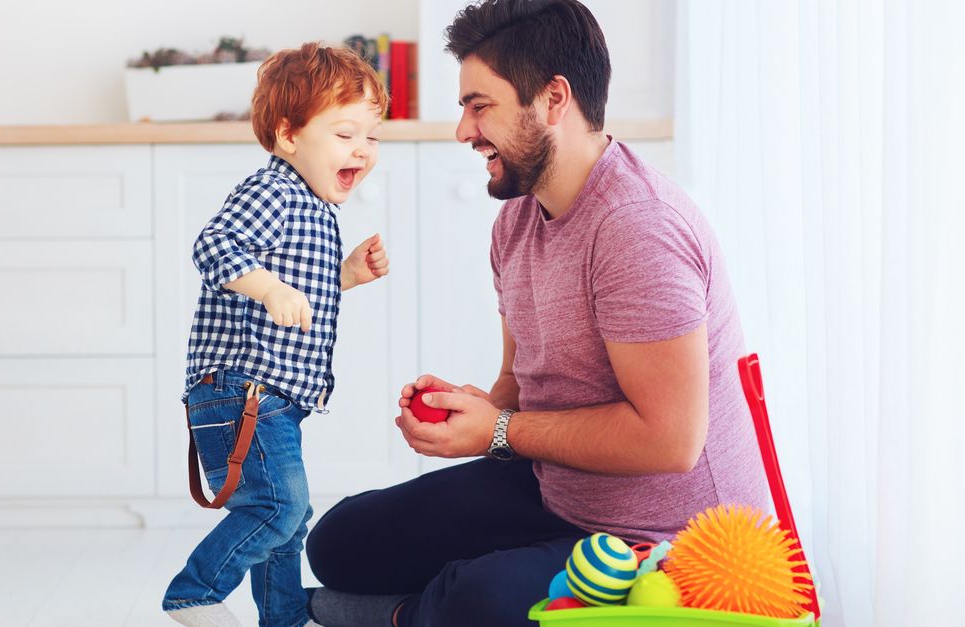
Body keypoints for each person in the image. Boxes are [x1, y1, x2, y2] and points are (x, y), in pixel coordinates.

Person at [303, 1, 771, 626]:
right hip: (561, 488)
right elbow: (519, 389)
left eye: (479, 105)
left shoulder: (639, 230)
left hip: (664, 534)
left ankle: (406, 614)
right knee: (338, 542)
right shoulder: (516, 221)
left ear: (553, 99)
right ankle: (425, 606)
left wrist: (498, 432)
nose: (463, 131)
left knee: (477, 600)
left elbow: (670, 439)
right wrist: (474, 410)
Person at [162, 42, 390, 627]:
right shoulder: (276, 192)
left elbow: (297, 298)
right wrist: (267, 288)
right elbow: (213, 246)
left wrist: (347, 276)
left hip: (269, 397)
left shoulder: (314, 207)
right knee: (278, 506)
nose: (362, 150)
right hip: (241, 390)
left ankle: (283, 616)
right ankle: (194, 593)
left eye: (371, 137)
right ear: (289, 136)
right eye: (345, 134)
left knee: (290, 514)